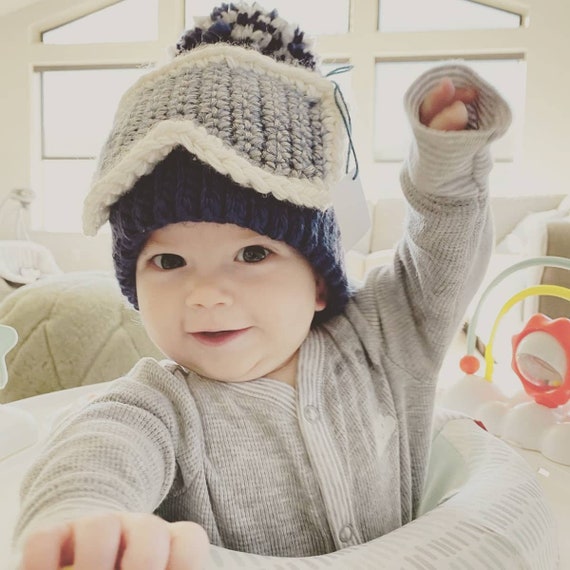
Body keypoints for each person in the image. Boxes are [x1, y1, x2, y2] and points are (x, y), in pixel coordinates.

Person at [13, 2, 512, 569]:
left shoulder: (385, 341)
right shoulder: (159, 404)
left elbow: (443, 254)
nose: (205, 293)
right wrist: (82, 519)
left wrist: (445, 171)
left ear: (319, 282)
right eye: (169, 261)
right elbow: (95, 452)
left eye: (252, 254)